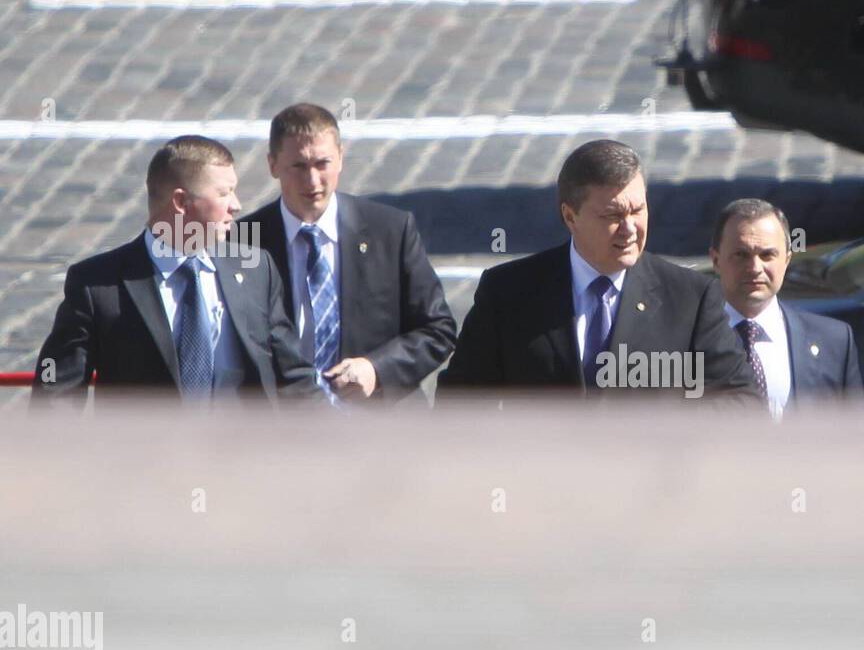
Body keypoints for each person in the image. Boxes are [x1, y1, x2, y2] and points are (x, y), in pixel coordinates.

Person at [439, 139, 760, 404]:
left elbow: (741, 399)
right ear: (570, 217)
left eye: (638, 210)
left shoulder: (690, 298)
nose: (630, 228)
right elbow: (459, 404)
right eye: (611, 215)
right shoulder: (508, 292)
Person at [32, 135, 318, 408]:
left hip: (242, 455)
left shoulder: (256, 269)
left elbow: (293, 376)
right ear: (181, 202)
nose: (236, 205)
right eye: (223, 193)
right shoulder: (98, 285)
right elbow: (56, 392)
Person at [240, 103, 456, 404]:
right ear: (273, 165)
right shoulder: (242, 241)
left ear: (341, 158)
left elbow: (437, 330)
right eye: (299, 166)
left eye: (322, 164)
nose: (313, 181)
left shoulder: (390, 231)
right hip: (286, 426)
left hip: (379, 423)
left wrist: (376, 370)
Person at [710, 198, 864, 417]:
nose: (755, 268)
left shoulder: (835, 341)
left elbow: (855, 435)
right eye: (741, 255)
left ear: (787, 260)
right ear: (716, 260)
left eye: (767, 255)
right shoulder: (682, 342)